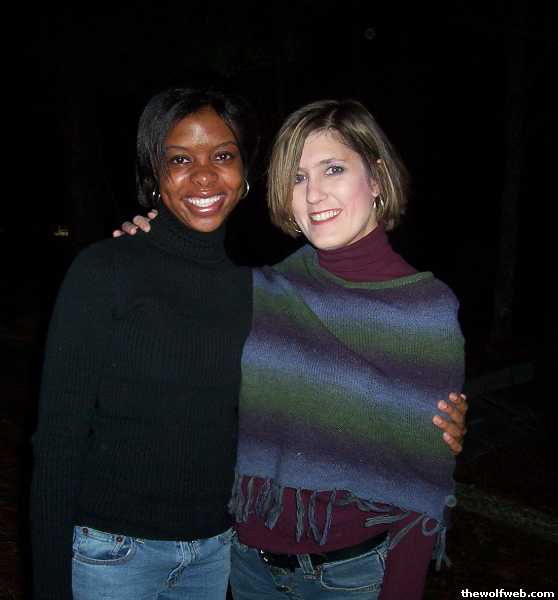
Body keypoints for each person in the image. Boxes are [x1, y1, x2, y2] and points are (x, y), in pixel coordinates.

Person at [119, 98, 466, 599]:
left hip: (350, 577)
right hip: (247, 567)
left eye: (333, 169)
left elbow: (422, 486)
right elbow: (178, 316)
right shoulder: (263, 292)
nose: (314, 193)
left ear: (377, 177)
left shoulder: (425, 310)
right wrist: (149, 242)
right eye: (298, 177)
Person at [30, 87, 259, 600]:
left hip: (213, 554)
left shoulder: (253, 290)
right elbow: (58, 440)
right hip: (113, 555)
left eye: (223, 156)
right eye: (180, 159)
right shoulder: (105, 272)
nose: (204, 176)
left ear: (245, 171)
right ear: (154, 175)